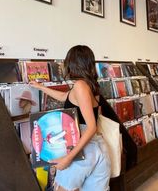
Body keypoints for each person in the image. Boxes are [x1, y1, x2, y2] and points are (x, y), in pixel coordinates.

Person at [30, 45, 111, 191]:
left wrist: (68, 158)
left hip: (84, 149)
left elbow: (91, 127)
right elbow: (64, 96)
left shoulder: (80, 86)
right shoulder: (90, 86)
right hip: (98, 148)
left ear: (72, 63)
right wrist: (41, 87)